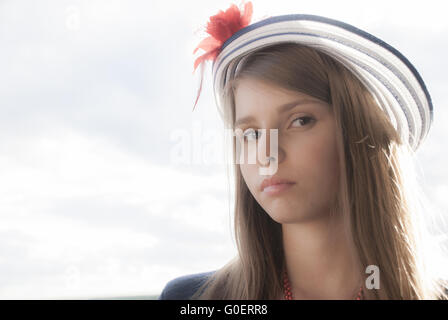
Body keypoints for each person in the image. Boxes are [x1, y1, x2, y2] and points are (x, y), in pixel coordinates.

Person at [158, 1, 448, 300]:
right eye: (252, 134)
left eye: (300, 121)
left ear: (358, 133)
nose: (267, 154)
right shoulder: (191, 299)